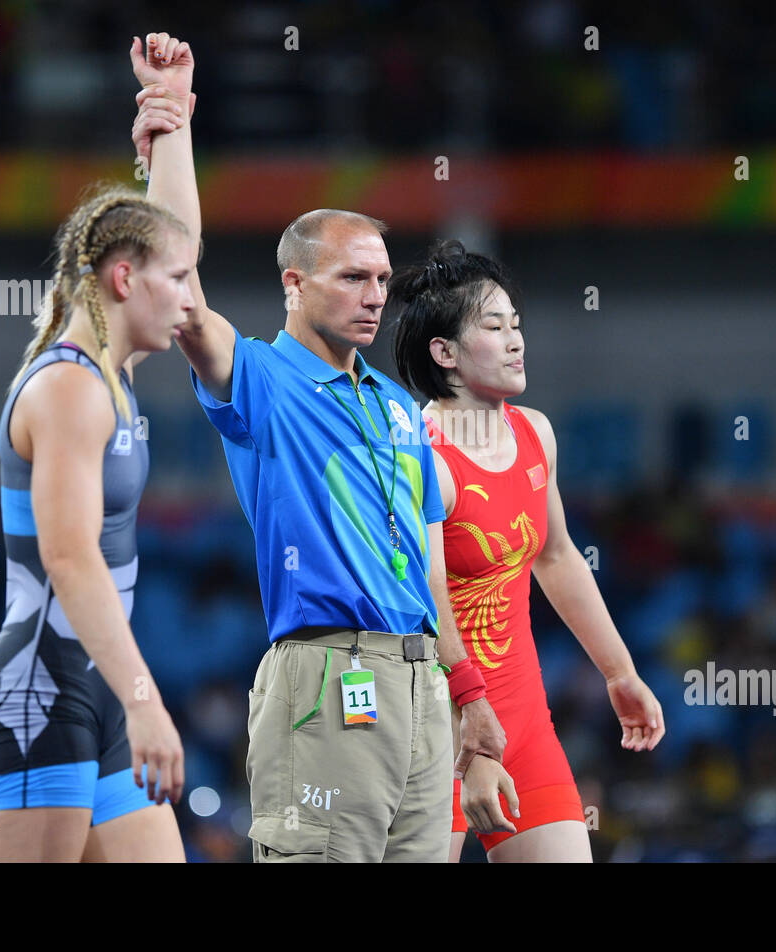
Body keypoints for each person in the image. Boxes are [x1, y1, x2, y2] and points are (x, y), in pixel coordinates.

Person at [128, 32, 508, 862]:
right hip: (326, 682)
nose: (376, 297)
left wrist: (469, 697)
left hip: (422, 690)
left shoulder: (403, 411)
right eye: (351, 278)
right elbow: (178, 286)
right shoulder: (261, 379)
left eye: (381, 279)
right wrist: (172, 127)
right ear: (292, 284)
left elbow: (428, 573)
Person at [389, 239, 666, 862]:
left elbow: (558, 556)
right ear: (446, 354)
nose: (516, 340)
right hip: (435, 725)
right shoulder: (416, 451)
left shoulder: (534, 430)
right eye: (494, 326)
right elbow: (429, 596)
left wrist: (619, 673)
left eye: (517, 324)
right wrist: (473, 728)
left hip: (522, 721)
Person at [0, 185, 195, 861]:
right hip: (37, 698)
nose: (189, 298)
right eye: (176, 280)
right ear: (124, 279)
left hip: (100, 699)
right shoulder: (68, 388)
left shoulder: (109, 375)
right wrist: (146, 699)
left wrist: (171, 123)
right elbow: (70, 558)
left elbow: (176, 234)